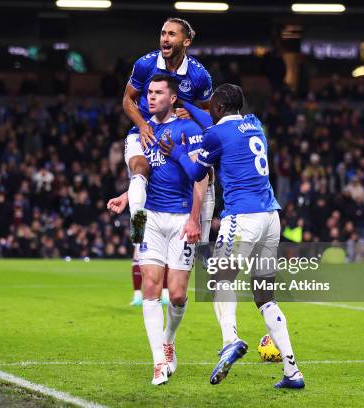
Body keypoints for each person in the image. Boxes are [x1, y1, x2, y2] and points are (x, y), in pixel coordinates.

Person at [159, 84, 305, 389]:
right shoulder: (254, 124)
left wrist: (176, 153)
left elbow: (197, 173)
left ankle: (230, 340)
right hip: (270, 217)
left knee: (221, 279)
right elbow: (214, 123)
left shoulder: (215, 135)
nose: (209, 108)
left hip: (242, 216)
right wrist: (190, 105)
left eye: (213, 104)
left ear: (221, 106)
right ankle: (292, 372)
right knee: (265, 297)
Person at [108, 74, 208, 385]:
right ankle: (157, 362)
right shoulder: (140, 132)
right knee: (151, 287)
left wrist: (194, 219)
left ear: (173, 97)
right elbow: (144, 170)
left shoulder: (188, 129)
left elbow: (200, 177)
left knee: (177, 294)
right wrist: (129, 195)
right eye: (148, 92)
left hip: (181, 218)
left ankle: (169, 340)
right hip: (150, 216)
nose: (150, 97)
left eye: (158, 92)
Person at [121, 17, 213, 244]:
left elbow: (211, 114)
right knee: (140, 167)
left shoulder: (199, 75)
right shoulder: (146, 64)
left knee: (206, 175)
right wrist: (142, 125)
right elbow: (127, 100)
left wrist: (192, 114)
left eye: (172, 34)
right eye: (163, 33)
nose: (165, 38)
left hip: (179, 136)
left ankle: (201, 240)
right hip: (146, 132)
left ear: (186, 41)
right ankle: (138, 224)